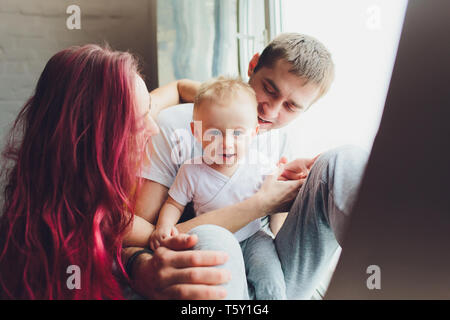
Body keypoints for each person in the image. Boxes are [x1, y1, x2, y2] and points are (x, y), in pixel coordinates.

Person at [0, 44, 299, 299]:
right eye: (139, 118)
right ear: (97, 136)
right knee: (214, 241)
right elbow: (157, 236)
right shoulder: (82, 208)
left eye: (149, 111)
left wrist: (229, 102)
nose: (153, 128)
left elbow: (179, 87)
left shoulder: (101, 193)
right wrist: (262, 204)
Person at [130, 32, 369, 299]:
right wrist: (261, 203)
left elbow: (279, 233)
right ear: (252, 65)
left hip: (265, 268)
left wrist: (289, 186)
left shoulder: (279, 139)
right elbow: (144, 235)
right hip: (209, 272)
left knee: (343, 160)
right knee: (214, 236)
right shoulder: (175, 127)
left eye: (291, 106)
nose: (270, 111)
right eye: (269, 89)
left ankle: (383, 264)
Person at [147, 77, 292, 299]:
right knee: (221, 286)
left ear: (253, 133)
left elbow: (278, 198)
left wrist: (288, 176)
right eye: (214, 133)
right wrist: (163, 227)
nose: (227, 143)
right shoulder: (191, 171)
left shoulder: (261, 164)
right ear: (196, 132)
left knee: (271, 282)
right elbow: (173, 203)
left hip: (254, 238)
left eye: (237, 133)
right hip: (213, 242)